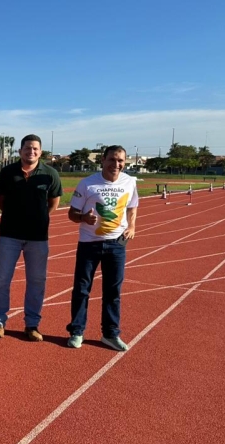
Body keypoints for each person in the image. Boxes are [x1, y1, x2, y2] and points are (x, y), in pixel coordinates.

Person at [0, 134, 63, 341]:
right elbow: (1, 200)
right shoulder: (7, 172)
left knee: (37, 281)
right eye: (27, 148)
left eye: (35, 149)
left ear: (40, 151)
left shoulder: (50, 174)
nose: (31, 152)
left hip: (38, 237)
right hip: (9, 235)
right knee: (2, 280)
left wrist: (38, 218)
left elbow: (54, 202)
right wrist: (16, 217)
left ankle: (32, 324)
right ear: (20, 151)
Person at [66, 145, 138, 351]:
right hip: (89, 244)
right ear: (103, 160)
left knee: (113, 291)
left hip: (117, 245)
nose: (116, 164)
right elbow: (72, 214)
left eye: (121, 160)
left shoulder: (130, 182)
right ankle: (77, 331)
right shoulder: (87, 184)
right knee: (81, 289)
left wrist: (132, 226)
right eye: (112, 160)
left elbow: (132, 206)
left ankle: (110, 334)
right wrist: (84, 218)